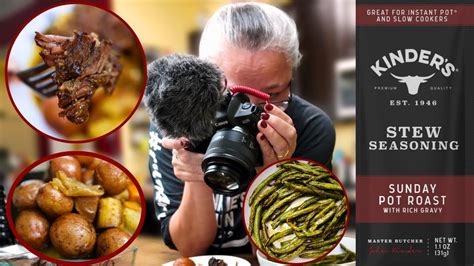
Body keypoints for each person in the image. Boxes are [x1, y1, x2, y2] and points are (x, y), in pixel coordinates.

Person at [147, 2, 335, 257]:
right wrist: (196, 175)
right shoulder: (175, 121)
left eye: (273, 94)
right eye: (233, 96)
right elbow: (190, 248)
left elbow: (292, 250)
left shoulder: (311, 127)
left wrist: (276, 174)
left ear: (290, 76)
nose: (252, 114)